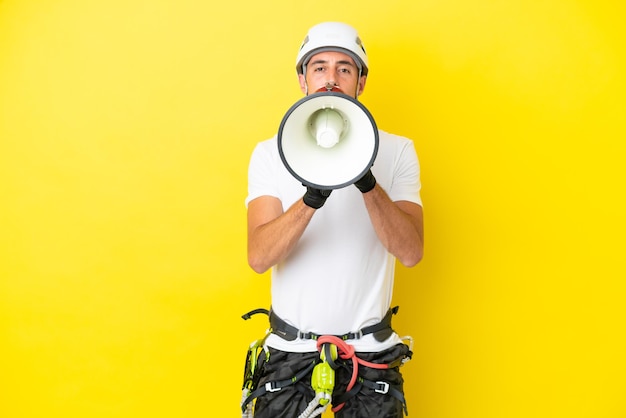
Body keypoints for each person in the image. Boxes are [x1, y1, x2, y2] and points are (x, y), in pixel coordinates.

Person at [243, 21, 424, 418]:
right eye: (319, 66)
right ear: (302, 78)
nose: (331, 78)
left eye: (344, 68)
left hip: (370, 355)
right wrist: (311, 198)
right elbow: (259, 257)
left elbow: (411, 252)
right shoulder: (271, 153)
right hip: (291, 354)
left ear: (361, 81)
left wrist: (367, 183)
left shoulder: (397, 152)